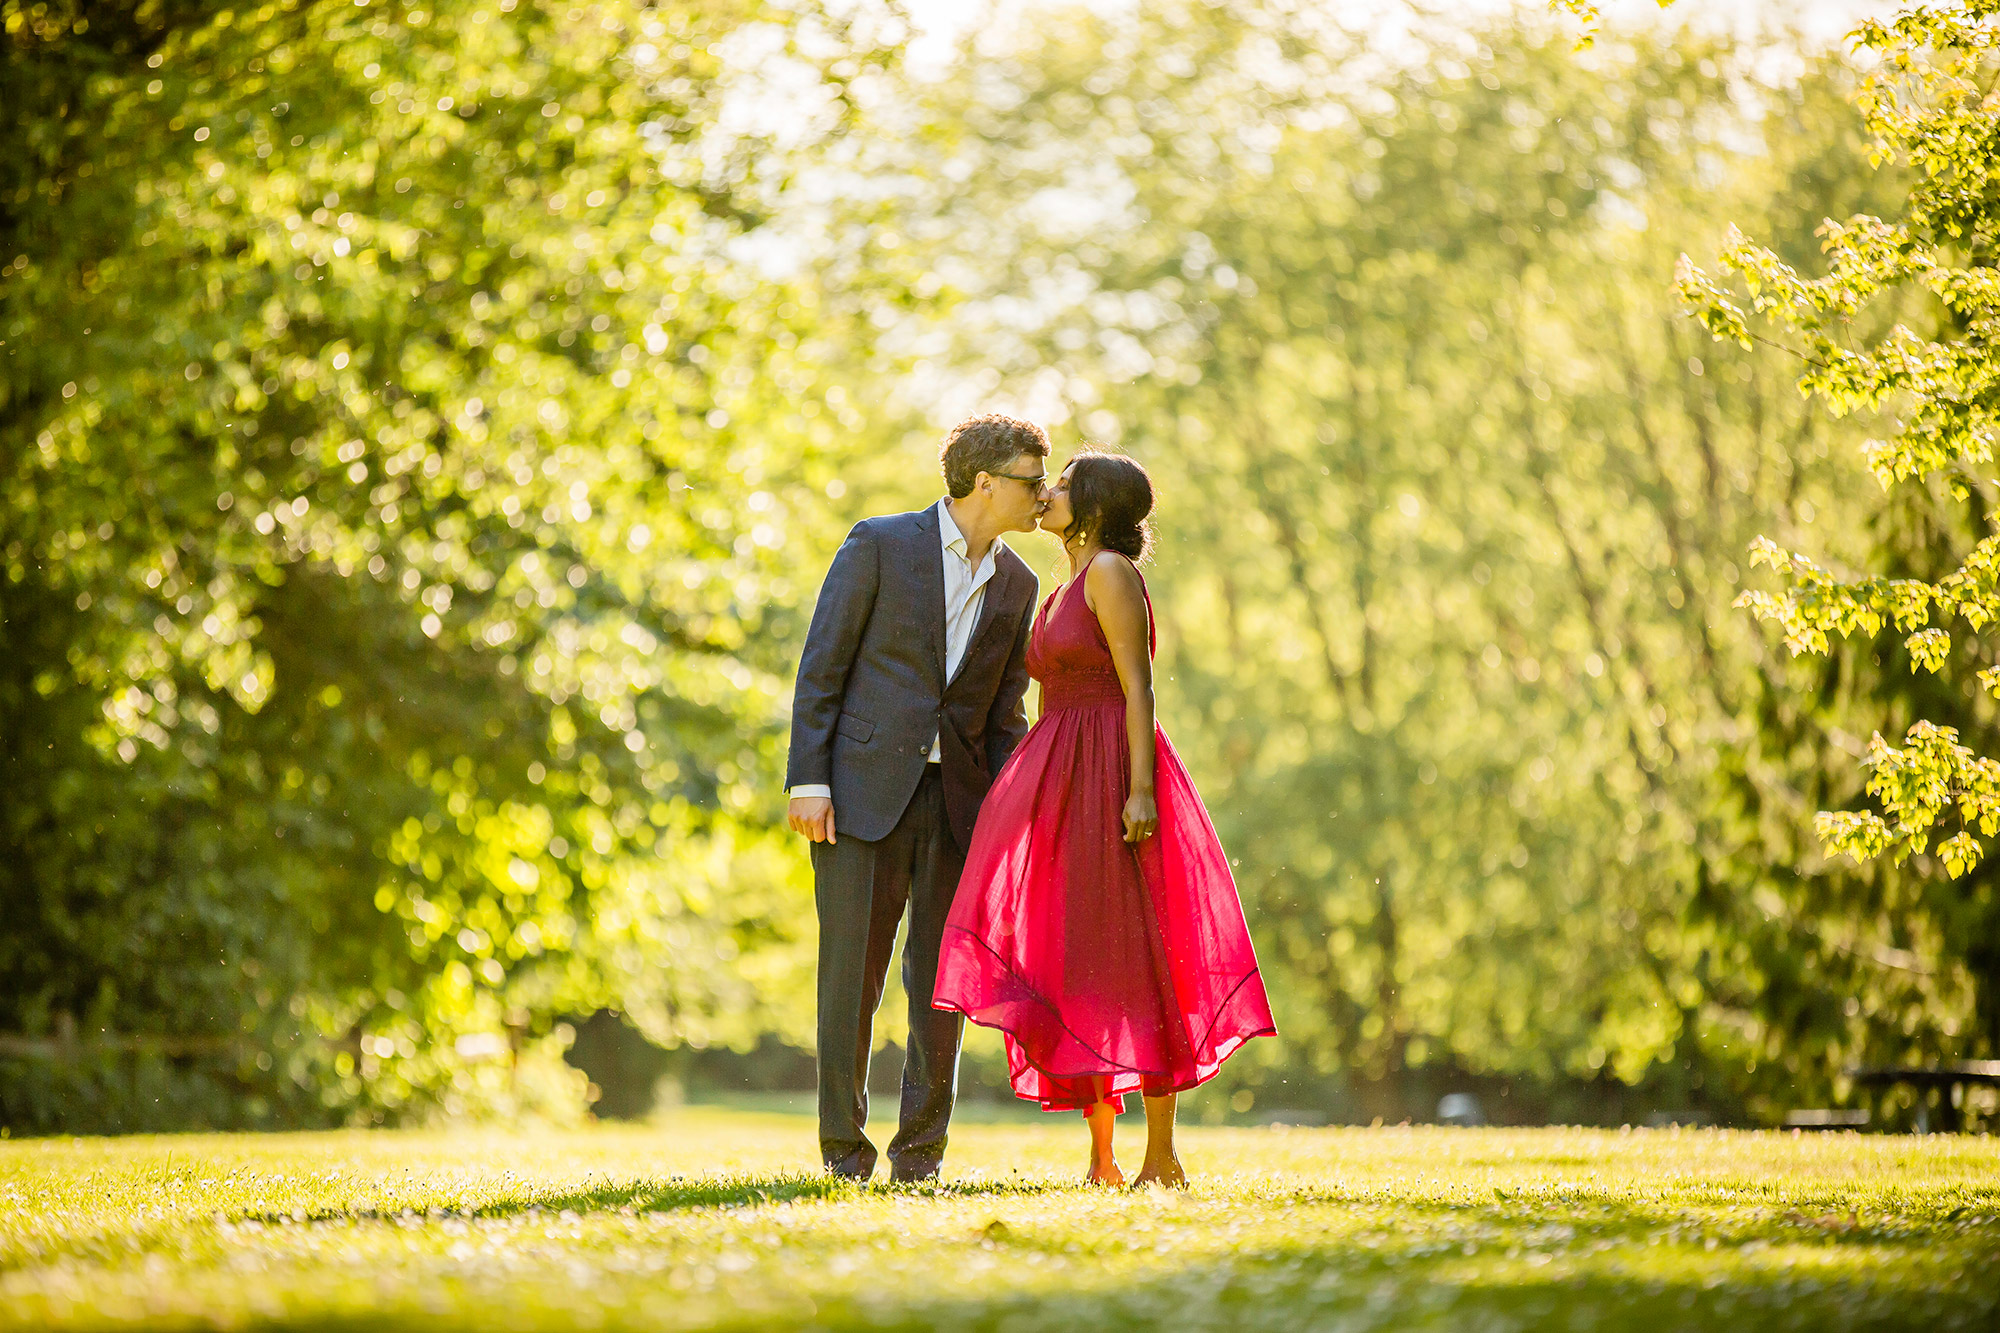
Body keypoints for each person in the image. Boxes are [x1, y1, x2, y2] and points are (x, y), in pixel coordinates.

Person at [932, 451, 1275, 1187]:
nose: (1046, 493)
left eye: (1061, 485)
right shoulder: (1058, 591)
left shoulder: (1112, 574)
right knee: (1075, 956)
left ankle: (1162, 1152)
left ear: (1091, 505)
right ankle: (1100, 1155)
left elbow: (1139, 687)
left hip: (1112, 769)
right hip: (1058, 777)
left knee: (1135, 956)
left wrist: (1141, 788)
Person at [785, 414, 1049, 1181]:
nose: (1043, 495)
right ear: (985, 483)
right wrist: (810, 778)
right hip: (859, 797)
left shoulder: (1019, 583)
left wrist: (1010, 813)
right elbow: (822, 666)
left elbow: (1004, 713)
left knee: (943, 988)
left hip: (959, 809)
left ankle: (921, 1155)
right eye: (1033, 481)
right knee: (849, 980)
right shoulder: (879, 542)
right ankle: (842, 1151)